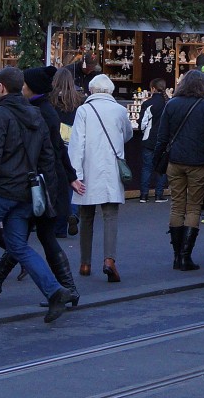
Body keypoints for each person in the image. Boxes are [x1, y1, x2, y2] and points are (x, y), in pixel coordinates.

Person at [0, 67, 72, 322]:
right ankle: (54, 290)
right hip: (26, 190)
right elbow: (48, 156)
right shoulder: (36, 114)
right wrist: (46, 192)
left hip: (0, 188)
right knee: (18, 245)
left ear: (0, 87)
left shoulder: (0, 115)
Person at [153, 68, 204, 272]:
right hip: (199, 162)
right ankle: (185, 255)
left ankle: (176, 255)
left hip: (175, 160)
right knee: (194, 207)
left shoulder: (172, 104)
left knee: (177, 206)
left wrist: (158, 161)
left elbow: (162, 136)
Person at [69, 74, 132, 282]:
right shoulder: (120, 110)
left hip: (88, 170)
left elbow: (77, 143)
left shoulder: (84, 110)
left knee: (86, 217)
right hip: (112, 169)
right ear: (111, 90)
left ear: (92, 90)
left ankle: (85, 263)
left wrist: (75, 175)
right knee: (110, 216)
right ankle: (109, 260)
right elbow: (128, 134)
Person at [50, 67, 84, 238]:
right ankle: (73, 212)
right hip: (73, 140)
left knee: (57, 181)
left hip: (56, 140)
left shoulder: (51, 98)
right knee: (72, 178)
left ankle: (58, 222)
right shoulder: (78, 98)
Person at [138, 78, 169, 203]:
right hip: (164, 140)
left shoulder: (148, 103)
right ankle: (159, 194)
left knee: (147, 167)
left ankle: (144, 195)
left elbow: (142, 124)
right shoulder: (169, 102)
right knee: (161, 168)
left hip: (149, 139)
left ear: (153, 88)